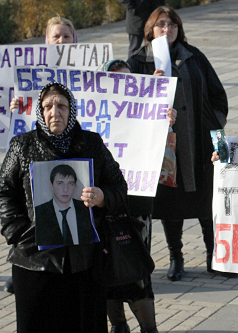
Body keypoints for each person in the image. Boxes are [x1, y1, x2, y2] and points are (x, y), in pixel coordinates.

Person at [0, 82, 127, 333]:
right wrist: (18, 232)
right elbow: (3, 193)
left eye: (62, 106)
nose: (55, 112)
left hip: (84, 262)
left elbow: (119, 187)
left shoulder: (91, 143)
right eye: (48, 106)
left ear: (72, 110)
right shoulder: (22, 145)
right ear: (40, 112)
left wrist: (102, 196)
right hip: (34, 261)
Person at [128, 5, 228, 281]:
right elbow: (128, 107)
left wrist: (214, 125)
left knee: (208, 199)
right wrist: (151, 86)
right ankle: (176, 257)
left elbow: (218, 95)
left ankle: (215, 256)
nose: (167, 29)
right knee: (172, 203)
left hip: (200, 142)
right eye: (161, 24)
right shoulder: (140, 61)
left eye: (172, 25)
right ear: (150, 30)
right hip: (165, 149)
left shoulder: (194, 57)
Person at [97, 59, 175, 333]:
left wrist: (165, 126)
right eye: (115, 80)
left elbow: (168, 168)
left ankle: (148, 327)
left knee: (135, 266)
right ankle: (118, 325)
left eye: (128, 80)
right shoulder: (93, 117)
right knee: (106, 268)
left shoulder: (147, 114)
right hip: (102, 202)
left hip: (137, 201)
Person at [4, 15, 78, 294]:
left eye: (66, 37)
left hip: (73, 151)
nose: (61, 41)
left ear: (76, 40)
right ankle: (24, 265)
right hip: (35, 152)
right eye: (55, 36)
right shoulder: (32, 73)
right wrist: (17, 107)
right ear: (46, 41)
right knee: (30, 205)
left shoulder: (90, 71)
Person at [35, 164, 93, 246]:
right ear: (51, 185)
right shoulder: (39, 212)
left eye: (70, 183)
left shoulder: (86, 208)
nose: (65, 189)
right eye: (60, 183)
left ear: (75, 186)